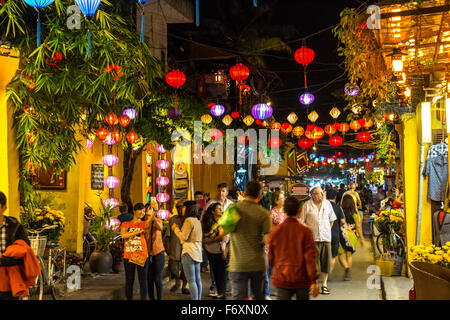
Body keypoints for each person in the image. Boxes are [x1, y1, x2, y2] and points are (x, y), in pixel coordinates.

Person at [268, 196, 319, 300]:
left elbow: (271, 256)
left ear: (285, 210)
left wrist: (274, 273)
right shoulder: (305, 231)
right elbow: (310, 258)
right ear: (299, 210)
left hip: (282, 278)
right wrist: (313, 281)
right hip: (302, 279)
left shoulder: (275, 231)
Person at [228, 180, 272, 300]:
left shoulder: (233, 209)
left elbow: (222, 231)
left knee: (238, 298)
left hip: (238, 263)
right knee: (259, 297)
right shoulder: (264, 213)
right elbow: (269, 240)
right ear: (260, 195)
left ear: (244, 193)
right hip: (257, 263)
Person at [299, 186, 336, 295]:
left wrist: (326, 229)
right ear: (313, 194)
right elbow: (302, 221)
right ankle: (313, 285)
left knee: (325, 262)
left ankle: (324, 285)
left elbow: (332, 220)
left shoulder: (327, 204)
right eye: (319, 193)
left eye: (322, 193)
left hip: (325, 238)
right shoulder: (307, 205)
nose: (321, 195)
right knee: (313, 264)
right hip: (313, 239)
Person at [0, 191, 34, 300]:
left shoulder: (15, 226)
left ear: (4, 208)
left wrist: (13, 259)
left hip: (9, 278)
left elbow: (25, 247)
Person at [203, 182, 233, 296]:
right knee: (214, 266)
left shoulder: (230, 204)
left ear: (227, 192)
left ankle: (222, 288)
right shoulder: (211, 203)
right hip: (212, 242)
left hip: (227, 239)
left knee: (224, 266)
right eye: (219, 190)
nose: (221, 193)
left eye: (223, 191)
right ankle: (215, 286)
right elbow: (204, 220)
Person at [172, 201, 203, 300]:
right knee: (197, 279)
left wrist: (175, 229)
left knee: (191, 280)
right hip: (197, 252)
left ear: (188, 208)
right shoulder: (197, 221)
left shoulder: (188, 220)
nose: (182, 209)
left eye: (184, 207)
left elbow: (183, 237)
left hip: (188, 252)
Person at [120, 203, 151, 300]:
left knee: (143, 280)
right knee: (129, 280)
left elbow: (147, 234)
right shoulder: (125, 224)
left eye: (144, 211)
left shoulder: (144, 224)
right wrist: (138, 231)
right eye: (140, 210)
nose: (142, 212)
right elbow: (123, 235)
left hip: (141, 254)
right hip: (129, 255)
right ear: (134, 211)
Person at [201, 202, 229, 299]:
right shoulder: (208, 223)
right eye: (218, 209)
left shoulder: (223, 221)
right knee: (216, 273)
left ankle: (222, 294)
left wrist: (215, 239)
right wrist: (216, 238)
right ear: (213, 211)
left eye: (221, 208)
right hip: (210, 251)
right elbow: (204, 239)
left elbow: (224, 237)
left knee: (223, 273)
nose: (221, 210)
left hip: (222, 251)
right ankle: (220, 292)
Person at [339, 194, 365, 281]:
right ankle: (348, 273)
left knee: (340, 255)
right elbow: (358, 227)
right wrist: (362, 239)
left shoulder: (340, 212)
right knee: (349, 256)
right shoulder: (355, 214)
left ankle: (346, 268)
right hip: (352, 235)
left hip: (342, 235)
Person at [164, 199, 188, 294]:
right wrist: (167, 246)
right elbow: (167, 235)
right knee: (172, 267)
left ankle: (184, 286)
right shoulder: (173, 219)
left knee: (186, 269)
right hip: (175, 247)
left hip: (186, 248)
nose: (180, 209)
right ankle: (177, 281)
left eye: (182, 207)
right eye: (178, 207)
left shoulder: (189, 220)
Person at [144, 200, 165, 300]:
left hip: (158, 252)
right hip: (147, 254)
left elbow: (161, 228)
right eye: (148, 208)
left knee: (157, 278)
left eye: (151, 208)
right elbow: (146, 233)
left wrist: (154, 217)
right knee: (149, 279)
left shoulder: (157, 221)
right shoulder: (143, 223)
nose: (150, 210)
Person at [326, 189, 346, 275]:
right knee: (333, 255)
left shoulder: (323, 207)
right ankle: (328, 272)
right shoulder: (338, 208)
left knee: (324, 254)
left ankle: (324, 272)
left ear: (326, 197)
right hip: (335, 233)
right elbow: (343, 221)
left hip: (324, 234)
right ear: (335, 197)